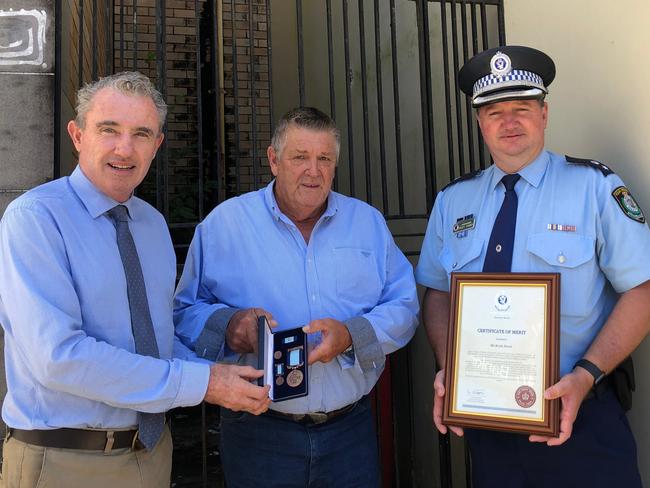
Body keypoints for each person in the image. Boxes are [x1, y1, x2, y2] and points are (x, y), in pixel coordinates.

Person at [0, 71, 270, 488]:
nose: (125, 148)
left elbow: (157, 341)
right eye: (109, 129)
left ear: (157, 144)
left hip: (151, 454)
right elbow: (59, 357)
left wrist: (224, 374)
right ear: (77, 135)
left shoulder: (152, 225)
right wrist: (204, 383)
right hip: (63, 460)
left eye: (141, 133)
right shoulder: (35, 219)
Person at [416, 45, 650, 487]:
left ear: (543, 114)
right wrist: (452, 368)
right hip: (490, 428)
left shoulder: (595, 188)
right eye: (494, 111)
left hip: (582, 419)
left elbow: (642, 289)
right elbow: (439, 294)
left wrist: (586, 375)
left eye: (522, 108)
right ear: (479, 122)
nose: (508, 122)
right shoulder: (453, 201)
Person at [174, 106, 419, 487]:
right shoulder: (225, 225)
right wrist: (230, 326)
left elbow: (404, 304)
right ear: (274, 160)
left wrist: (352, 336)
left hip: (349, 431)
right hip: (259, 433)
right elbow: (183, 312)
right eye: (300, 157)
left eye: (324, 159)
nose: (314, 170)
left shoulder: (367, 223)